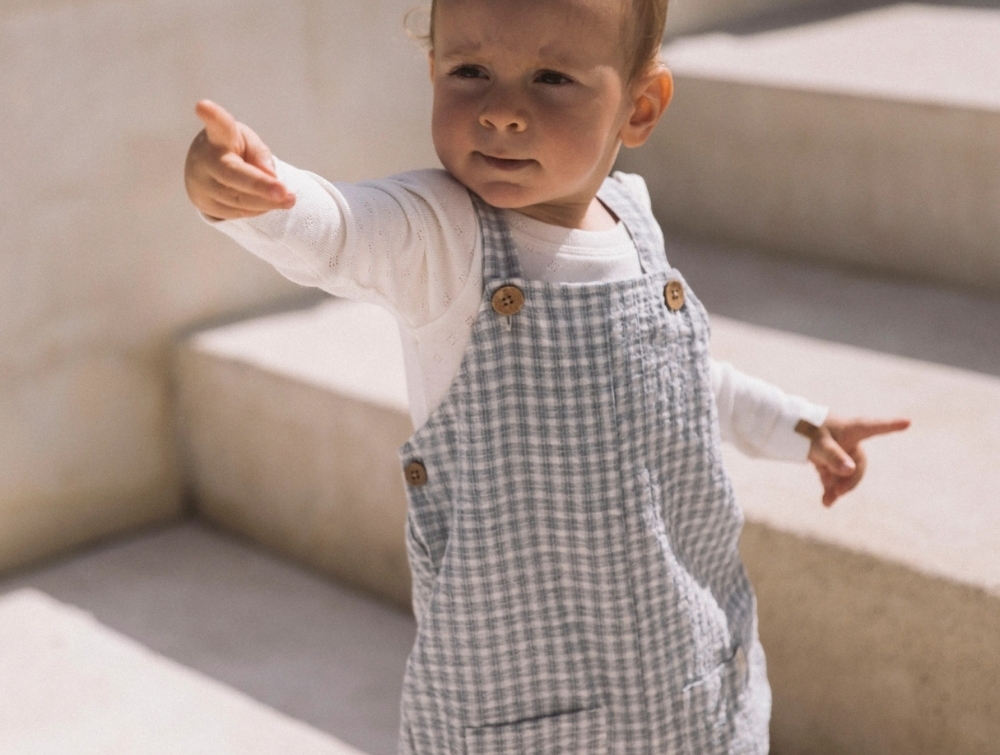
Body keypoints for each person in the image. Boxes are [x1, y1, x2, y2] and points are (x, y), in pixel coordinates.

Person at [184, 0, 909, 751]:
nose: (501, 111)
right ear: (432, 71)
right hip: (527, 703)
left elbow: (678, 380)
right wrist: (255, 193)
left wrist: (799, 425)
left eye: (551, 79)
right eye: (470, 71)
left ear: (640, 107)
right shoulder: (440, 236)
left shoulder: (634, 221)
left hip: (683, 674)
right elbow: (339, 229)